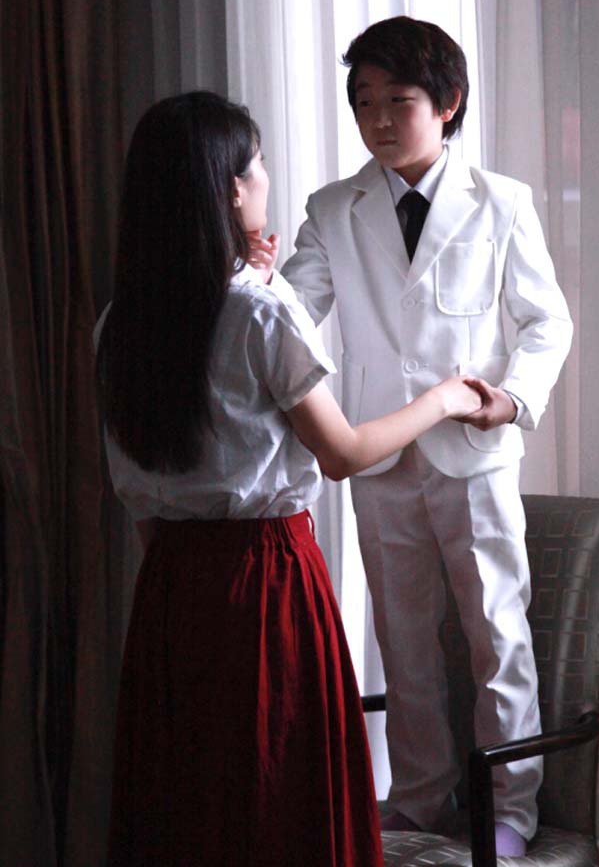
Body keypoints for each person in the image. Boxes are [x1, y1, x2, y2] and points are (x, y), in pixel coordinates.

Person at [95, 90, 481, 867]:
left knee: (191, 806)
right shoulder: (261, 314)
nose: (267, 176)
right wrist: (442, 400)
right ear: (231, 189)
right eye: (258, 163)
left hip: (169, 589)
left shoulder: (118, 323)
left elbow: (144, 498)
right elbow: (342, 453)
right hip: (266, 580)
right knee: (276, 801)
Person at [270, 16, 573, 858]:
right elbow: (291, 313)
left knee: (495, 635)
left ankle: (511, 810)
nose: (377, 119)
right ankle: (419, 796)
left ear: (448, 103)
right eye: (363, 101)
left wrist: (512, 398)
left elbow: (547, 322)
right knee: (402, 640)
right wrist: (254, 274)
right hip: (378, 452)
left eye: (396, 100)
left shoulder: (502, 201)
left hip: (474, 452)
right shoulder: (333, 208)